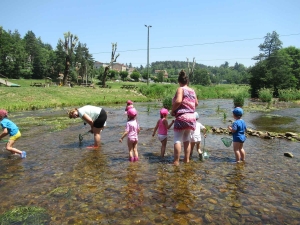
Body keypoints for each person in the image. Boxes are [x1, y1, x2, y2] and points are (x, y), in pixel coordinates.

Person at [171, 70, 198, 165]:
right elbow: (196, 103)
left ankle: (176, 161)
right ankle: (186, 160)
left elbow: (178, 101)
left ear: (179, 81)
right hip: (191, 117)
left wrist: (173, 110)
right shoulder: (192, 91)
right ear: (187, 82)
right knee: (186, 138)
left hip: (182, 116)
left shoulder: (180, 89)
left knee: (177, 139)